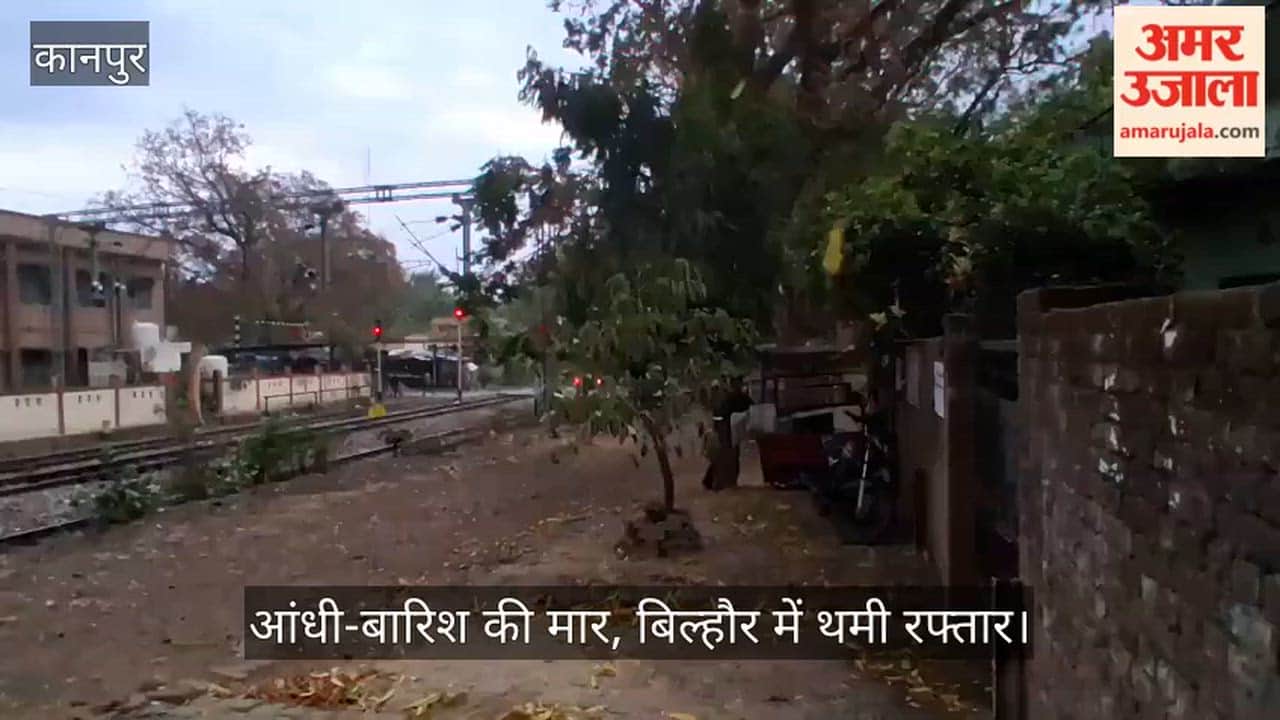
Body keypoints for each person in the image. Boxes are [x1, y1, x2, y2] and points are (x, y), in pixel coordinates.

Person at [702, 376, 753, 491]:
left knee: (728, 457)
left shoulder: (737, 397)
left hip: (730, 432)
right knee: (724, 457)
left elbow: (751, 409)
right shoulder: (729, 398)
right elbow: (719, 415)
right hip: (726, 431)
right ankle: (718, 482)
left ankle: (725, 482)